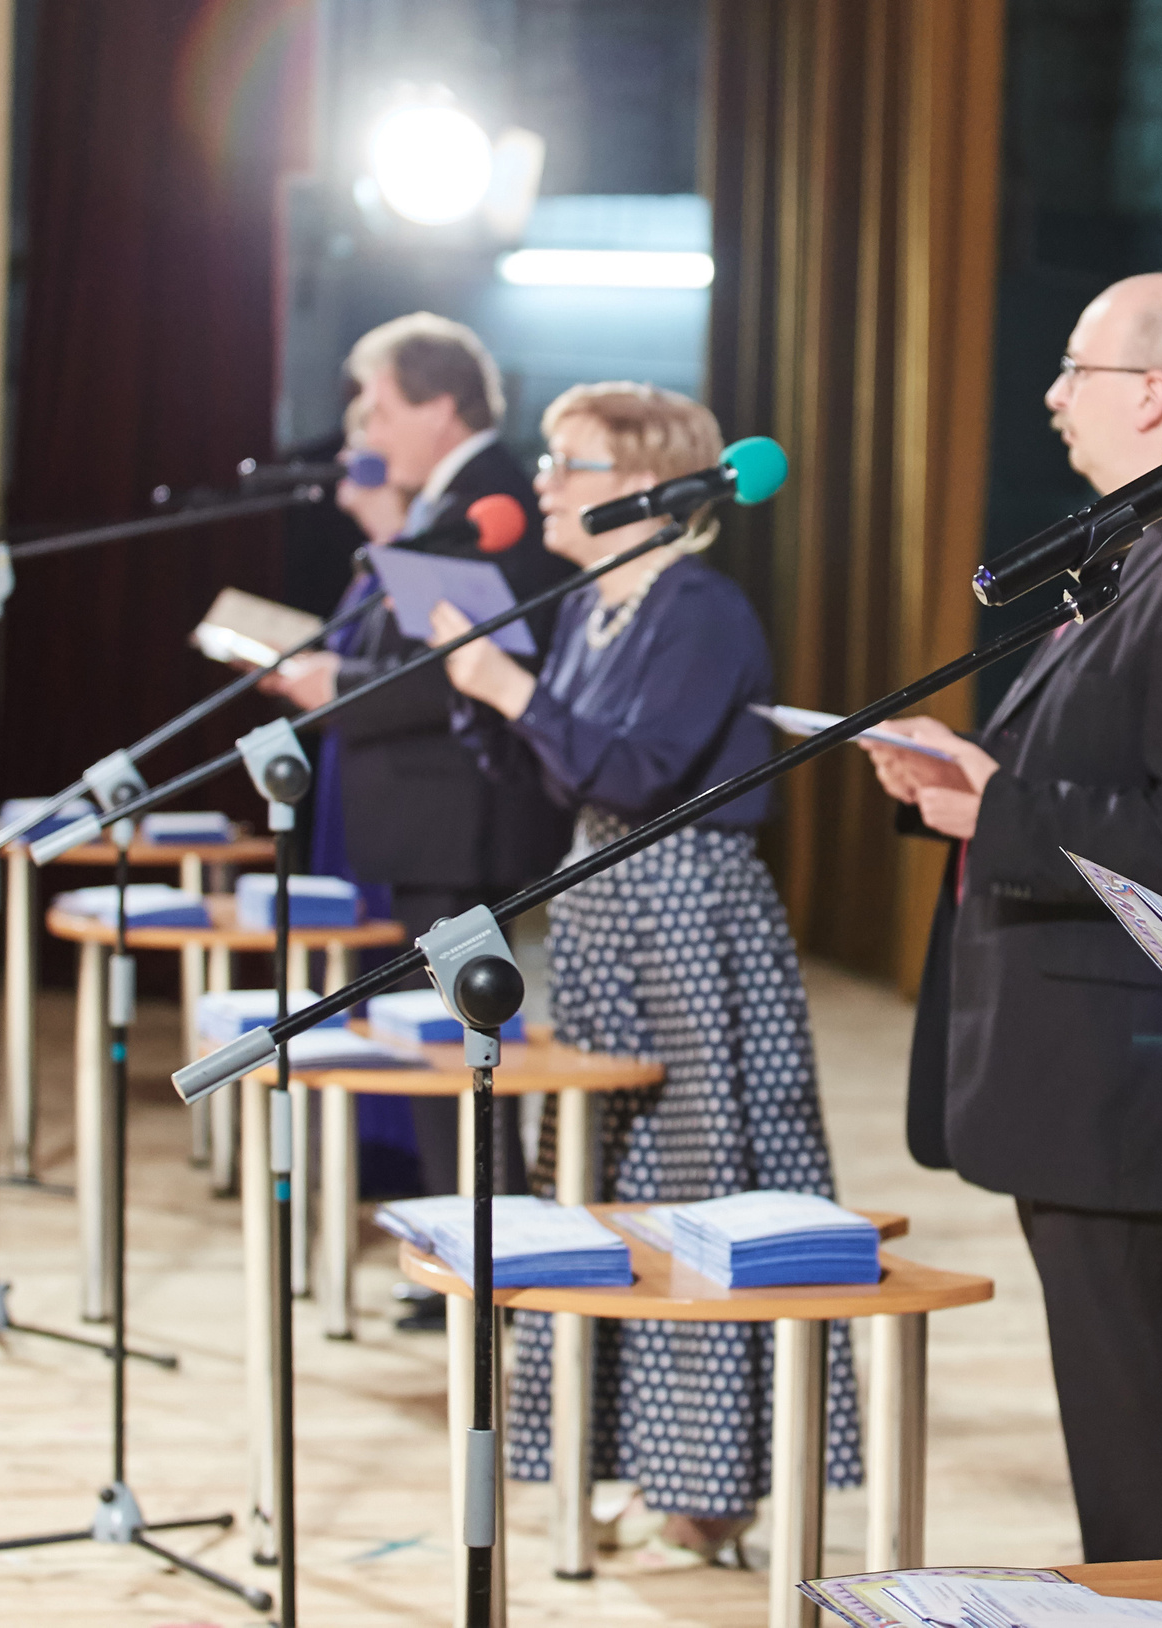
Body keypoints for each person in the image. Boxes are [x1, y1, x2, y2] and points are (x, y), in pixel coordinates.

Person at [861, 273, 1162, 1562]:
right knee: (1128, 1423)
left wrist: (998, 810)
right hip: (1102, 1082)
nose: (1052, 395)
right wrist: (970, 786)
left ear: (1152, 395)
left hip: (1142, 1089)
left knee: (1151, 1434)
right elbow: (1112, 780)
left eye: (1076, 368)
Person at [429, 381, 855, 1568]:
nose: (543, 484)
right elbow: (564, 774)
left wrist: (512, 691)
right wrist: (483, 693)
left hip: (688, 908)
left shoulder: (702, 607)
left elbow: (642, 767)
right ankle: (632, 1455)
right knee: (597, 1181)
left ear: (648, 488)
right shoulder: (592, 606)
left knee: (701, 1179)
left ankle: (710, 1489)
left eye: (568, 463)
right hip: (605, 901)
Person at [261, 314, 573, 1247]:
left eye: (382, 403)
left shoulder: (489, 501)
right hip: (433, 819)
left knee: (464, 1059)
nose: (364, 425)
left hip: (463, 819)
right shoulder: (450, 497)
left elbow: (461, 667)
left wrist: (335, 687)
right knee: (446, 1058)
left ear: (442, 407)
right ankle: (461, 1252)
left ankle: (489, 1263)